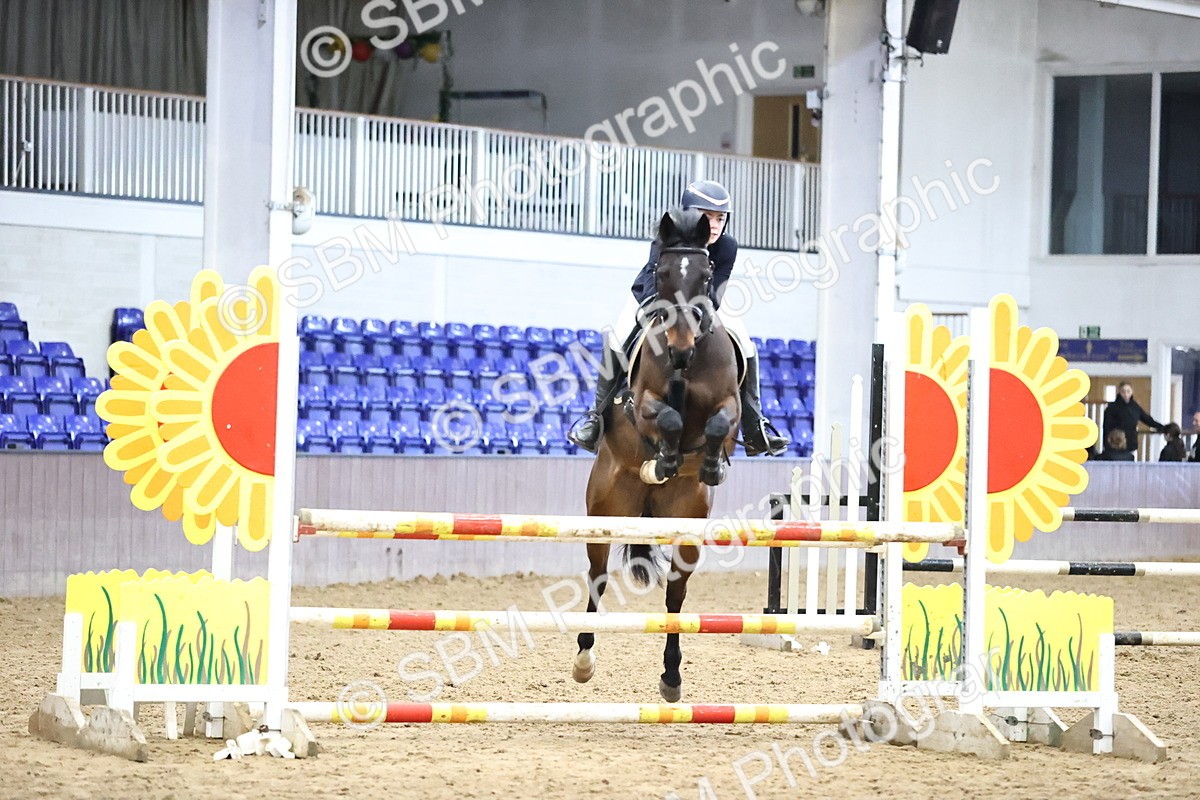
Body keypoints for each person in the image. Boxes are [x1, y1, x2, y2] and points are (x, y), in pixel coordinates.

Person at [568, 180, 790, 457]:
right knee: (618, 336)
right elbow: (652, 277)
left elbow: (717, 291)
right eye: (707, 217)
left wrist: (694, 312)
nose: (715, 225)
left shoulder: (727, 247)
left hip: (702, 304)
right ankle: (596, 418)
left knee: (746, 344)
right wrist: (660, 309)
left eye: (720, 218)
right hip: (651, 298)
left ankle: (755, 425)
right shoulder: (667, 238)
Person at [1101, 381, 1165, 459]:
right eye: (1123, 391)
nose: (1126, 394)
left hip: (1130, 442)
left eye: (1128, 391)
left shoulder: (1135, 407)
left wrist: (1162, 428)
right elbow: (1106, 426)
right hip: (1115, 444)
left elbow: (1147, 419)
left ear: (1132, 392)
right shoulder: (1112, 407)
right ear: (1119, 392)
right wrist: (1106, 444)